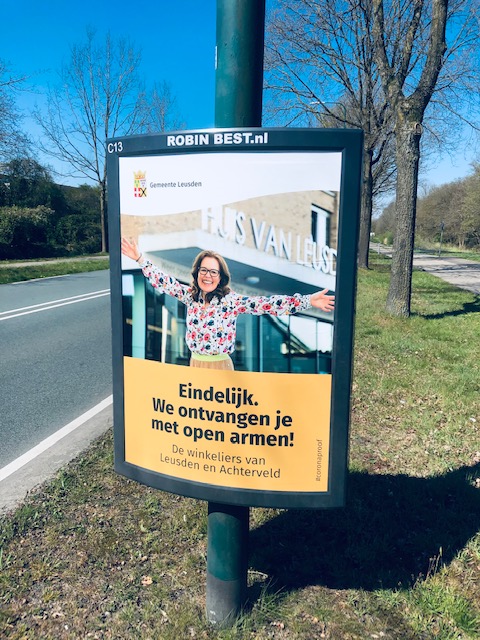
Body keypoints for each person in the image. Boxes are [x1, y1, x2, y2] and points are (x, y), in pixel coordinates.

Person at [121, 237, 335, 371]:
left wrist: (308, 300)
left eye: (213, 272)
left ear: (221, 277)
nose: (207, 275)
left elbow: (268, 304)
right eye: (204, 270)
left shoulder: (230, 301)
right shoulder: (190, 296)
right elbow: (164, 282)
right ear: (196, 273)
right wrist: (140, 259)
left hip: (221, 367)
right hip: (194, 364)